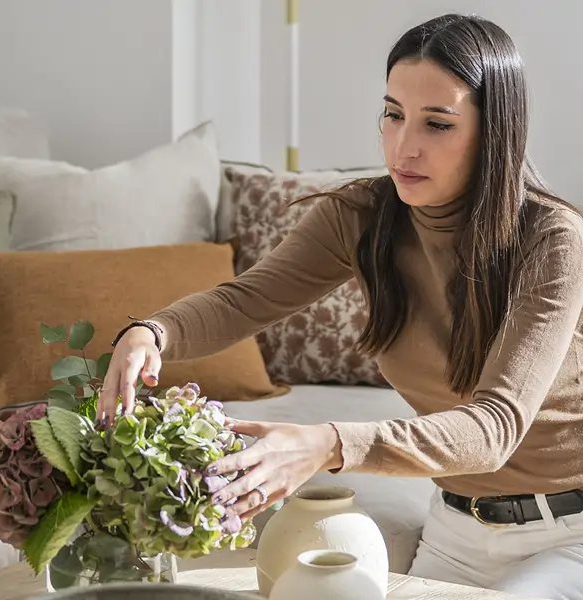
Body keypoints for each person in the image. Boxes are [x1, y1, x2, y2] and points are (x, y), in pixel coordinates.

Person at [98, 13, 583, 599]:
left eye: (438, 124)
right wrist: (152, 333)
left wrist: (328, 443)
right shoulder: (361, 216)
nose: (404, 146)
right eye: (393, 114)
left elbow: (494, 428)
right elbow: (245, 300)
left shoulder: (551, 239)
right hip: (457, 526)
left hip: (566, 536)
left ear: (492, 133)